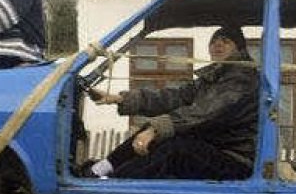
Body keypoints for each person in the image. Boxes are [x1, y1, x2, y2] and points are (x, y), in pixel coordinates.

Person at [85, 25, 259, 180]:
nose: (217, 45)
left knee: (176, 148)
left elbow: (205, 112)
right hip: (214, 149)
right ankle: (97, 171)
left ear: (239, 48)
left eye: (225, 41)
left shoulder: (242, 79)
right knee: (153, 131)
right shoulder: (212, 78)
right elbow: (172, 97)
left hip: (234, 160)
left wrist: (156, 129)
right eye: (213, 41)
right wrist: (120, 98)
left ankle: (113, 187)